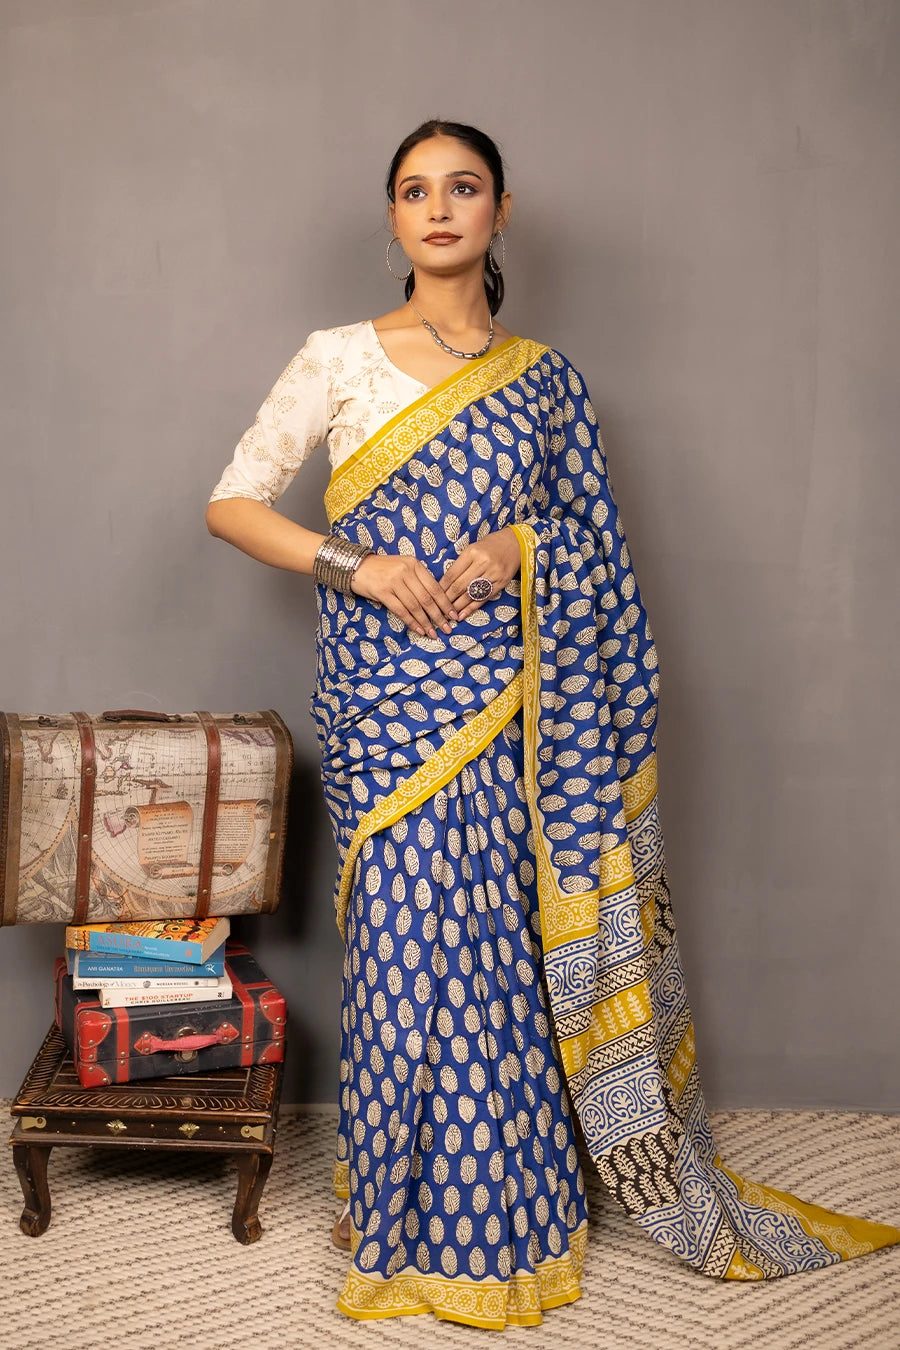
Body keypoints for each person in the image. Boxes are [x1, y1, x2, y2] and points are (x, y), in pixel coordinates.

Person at [205, 119, 900, 1329]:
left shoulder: (545, 380)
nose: (438, 208)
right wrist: (358, 565)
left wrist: (523, 545)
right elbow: (232, 503)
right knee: (403, 952)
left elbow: (595, 543)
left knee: (495, 952)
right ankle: (395, 1202)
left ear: (501, 211)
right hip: (383, 704)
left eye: (462, 187)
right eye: (414, 191)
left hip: (517, 705)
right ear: (392, 219)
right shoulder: (338, 357)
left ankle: (512, 1206)